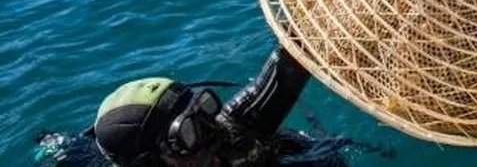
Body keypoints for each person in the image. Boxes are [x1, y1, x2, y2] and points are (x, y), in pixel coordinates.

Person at [35, 46, 353, 167]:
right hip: (83, 154)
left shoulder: (228, 135)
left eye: (203, 111)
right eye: (186, 135)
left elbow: (297, 49)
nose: (210, 134)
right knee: (55, 147)